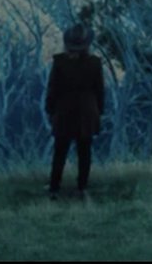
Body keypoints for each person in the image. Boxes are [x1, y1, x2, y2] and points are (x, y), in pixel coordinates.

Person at [45, 23, 104, 198]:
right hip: (87, 110)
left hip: (64, 110)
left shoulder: (60, 62)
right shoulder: (95, 63)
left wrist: (50, 108)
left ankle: (54, 187)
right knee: (84, 150)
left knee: (60, 151)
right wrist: (99, 110)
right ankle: (82, 187)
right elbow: (99, 89)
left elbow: (53, 88)